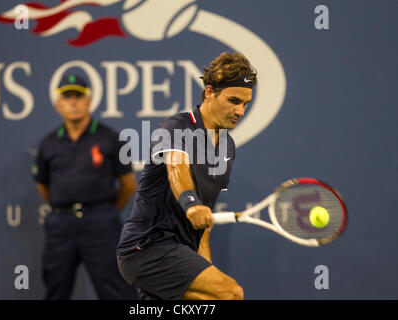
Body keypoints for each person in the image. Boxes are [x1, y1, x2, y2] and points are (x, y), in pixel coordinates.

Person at [116, 52, 257, 300]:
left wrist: (207, 267)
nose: (240, 111)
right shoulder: (177, 126)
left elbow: (204, 226)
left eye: (245, 104)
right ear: (209, 92)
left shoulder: (227, 148)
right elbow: (176, 168)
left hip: (181, 251)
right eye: (234, 100)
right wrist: (191, 204)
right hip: (147, 246)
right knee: (230, 293)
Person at [32, 73, 139, 300]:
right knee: (56, 290)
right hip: (61, 225)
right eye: (67, 97)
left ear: (89, 101)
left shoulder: (111, 138)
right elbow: (43, 186)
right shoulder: (48, 144)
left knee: (117, 291)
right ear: (57, 104)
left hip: (101, 224)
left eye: (78, 96)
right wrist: (64, 208)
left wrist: (104, 210)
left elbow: (128, 185)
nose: (73, 102)